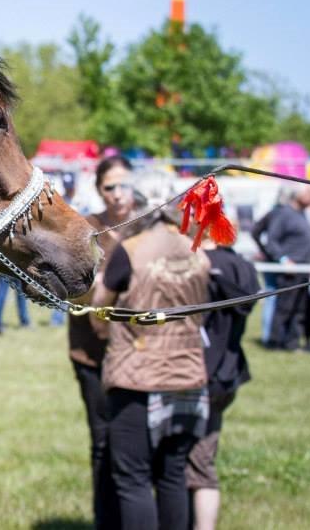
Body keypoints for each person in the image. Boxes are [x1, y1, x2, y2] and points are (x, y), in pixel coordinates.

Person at [94, 174, 211, 530]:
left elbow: (101, 308)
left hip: (137, 378)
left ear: (142, 206)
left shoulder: (131, 250)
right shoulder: (197, 249)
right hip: (188, 375)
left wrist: (105, 330)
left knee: (133, 478)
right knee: (173, 473)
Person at [67, 155, 138, 530]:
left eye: (124, 184)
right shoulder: (86, 229)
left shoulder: (147, 226)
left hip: (141, 355)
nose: (118, 194)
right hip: (92, 350)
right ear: (99, 190)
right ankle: (105, 522)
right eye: (110, 186)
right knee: (103, 441)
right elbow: (69, 289)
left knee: (138, 445)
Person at [187, 237, 259, 530]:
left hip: (192, 374)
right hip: (226, 375)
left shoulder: (192, 263)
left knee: (192, 464)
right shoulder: (242, 265)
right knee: (201, 457)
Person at [263, 186, 310, 351]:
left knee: (299, 309)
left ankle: (292, 343)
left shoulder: (302, 215)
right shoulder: (284, 213)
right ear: (298, 194)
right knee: (284, 308)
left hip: (303, 270)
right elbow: (271, 240)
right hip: (289, 270)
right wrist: (284, 260)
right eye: (308, 193)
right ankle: (274, 342)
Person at [251, 189, 289, 344]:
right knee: (271, 296)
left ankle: (272, 336)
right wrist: (264, 250)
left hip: (274, 259)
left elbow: (256, 231)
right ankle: (269, 337)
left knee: (272, 296)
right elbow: (257, 232)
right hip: (276, 261)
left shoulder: (272, 213)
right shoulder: (278, 214)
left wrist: (263, 249)